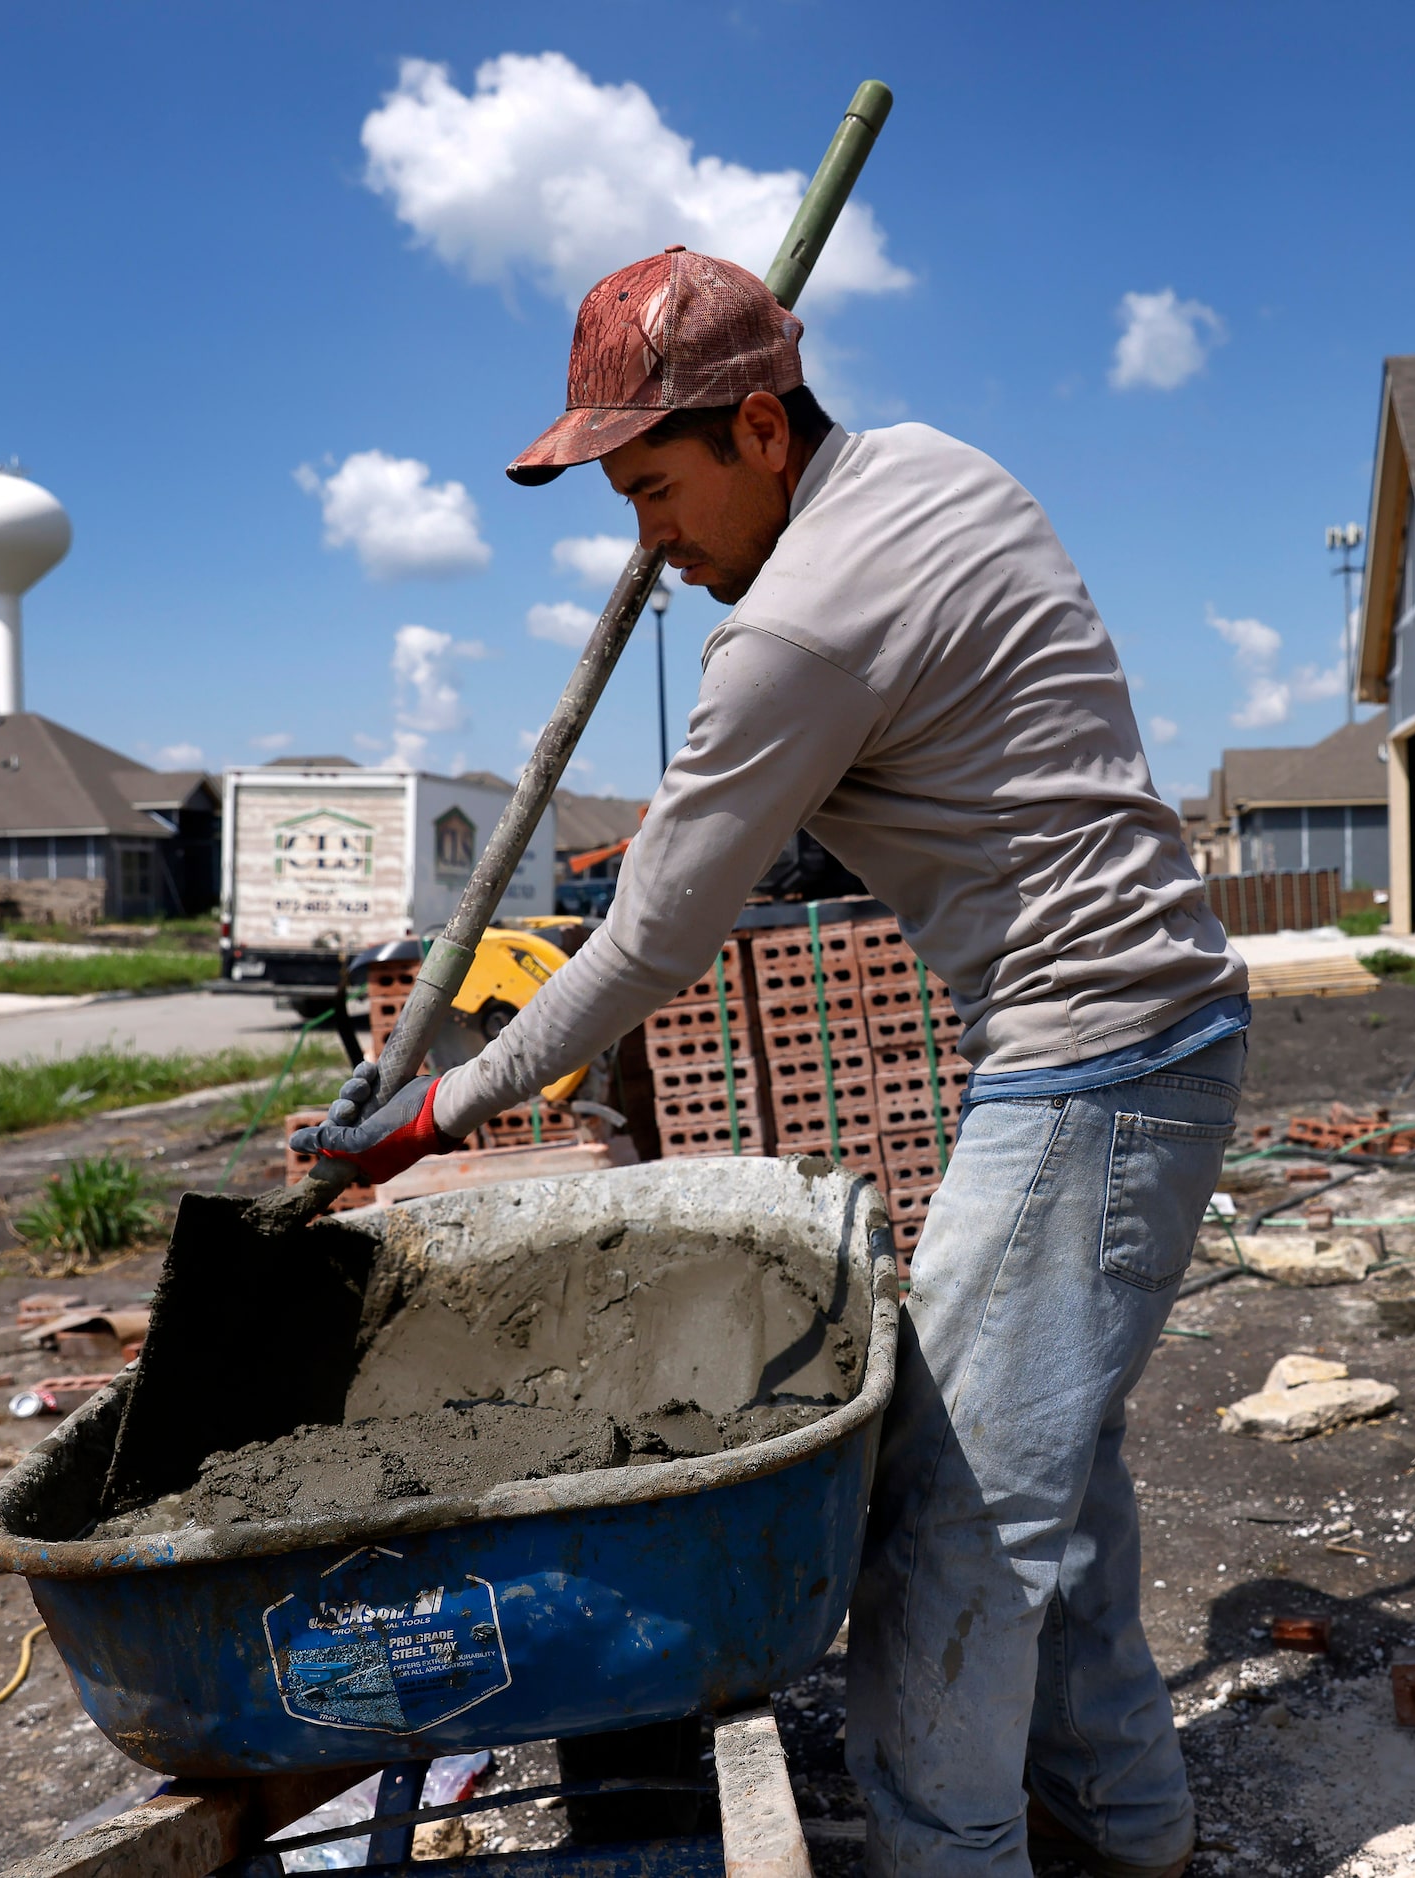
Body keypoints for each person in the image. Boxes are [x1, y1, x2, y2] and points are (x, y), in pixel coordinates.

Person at [292, 245, 1246, 1878]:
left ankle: (960, 1846)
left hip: (1092, 1053)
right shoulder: (942, 466)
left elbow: (645, 946)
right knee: (1053, 1482)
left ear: (759, 432)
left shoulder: (793, 632)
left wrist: (429, 1110)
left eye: (656, 489)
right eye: (621, 506)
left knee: (947, 1524)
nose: (647, 546)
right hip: (1147, 1023)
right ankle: (1129, 1822)